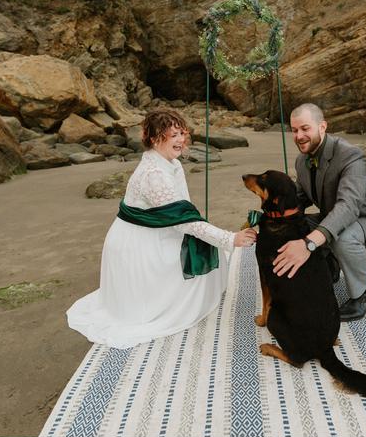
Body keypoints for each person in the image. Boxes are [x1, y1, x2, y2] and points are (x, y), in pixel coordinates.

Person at [67, 109, 257, 348]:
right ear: (156, 138)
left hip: (155, 230)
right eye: (174, 135)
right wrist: (230, 238)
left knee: (208, 247)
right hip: (138, 245)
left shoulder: (168, 162)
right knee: (208, 249)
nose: (181, 140)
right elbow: (184, 221)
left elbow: (181, 210)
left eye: (182, 133)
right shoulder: (154, 174)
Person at [273, 103, 366, 321]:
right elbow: (300, 199)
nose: (299, 136)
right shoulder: (302, 160)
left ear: (322, 127)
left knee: (342, 238)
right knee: (294, 226)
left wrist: (309, 244)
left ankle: (365, 295)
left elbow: (349, 206)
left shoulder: (351, 155)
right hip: (332, 218)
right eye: (294, 130)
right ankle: (329, 266)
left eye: (305, 128)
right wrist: (274, 216)